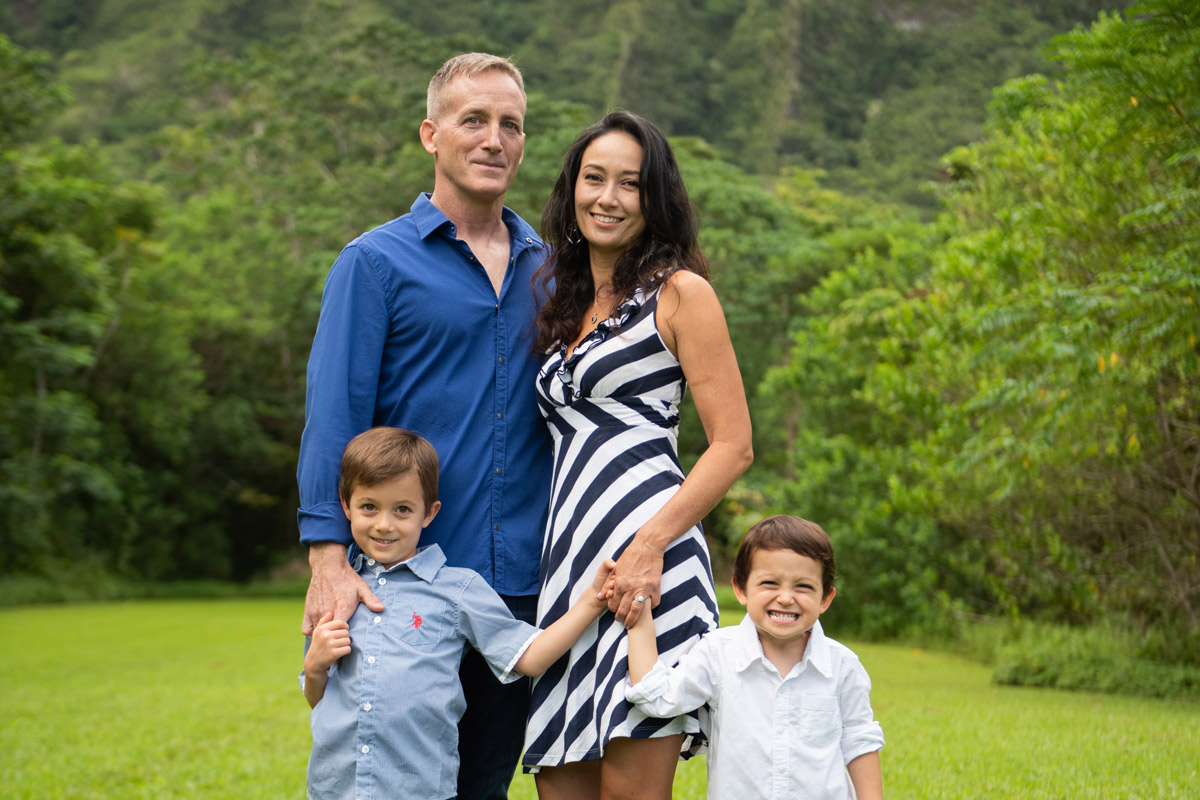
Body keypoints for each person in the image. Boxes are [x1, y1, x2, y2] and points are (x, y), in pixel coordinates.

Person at [295, 53, 552, 799]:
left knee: (482, 788)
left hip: (517, 590)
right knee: (382, 779)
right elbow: (333, 418)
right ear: (431, 134)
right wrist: (327, 560)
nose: (493, 139)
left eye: (511, 125)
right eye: (474, 119)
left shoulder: (554, 271)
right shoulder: (373, 262)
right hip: (400, 588)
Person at [522, 110, 754, 799]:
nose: (609, 197)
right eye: (594, 178)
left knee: (632, 793)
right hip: (569, 571)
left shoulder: (681, 294)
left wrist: (651, 543)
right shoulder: (560, 302)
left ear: (655, 201)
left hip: (654, 564)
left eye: (631, 184)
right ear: (571, 189)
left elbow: (734, 446)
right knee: (561, 782)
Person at [302, 427, 615, 800]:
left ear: (429, 513)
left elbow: (530, 657)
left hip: (420, 789)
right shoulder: (337, 591)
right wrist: (314, 666)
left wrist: (591, 602)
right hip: (337, 788)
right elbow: (319, 699)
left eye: (402, 509)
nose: (384, 524)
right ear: (346, 505)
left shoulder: (457, 589)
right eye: (370, 507)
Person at [625, 515, 885, 800]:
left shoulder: (842, 666)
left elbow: (860, 741)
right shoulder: (717, 654)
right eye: (770, 583)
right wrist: (640, 610)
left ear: (826, 598)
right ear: (740, 589)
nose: (786, 598)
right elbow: (657, 696)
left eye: (803, 587)